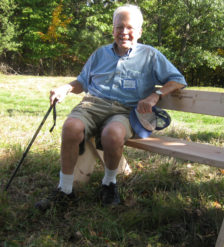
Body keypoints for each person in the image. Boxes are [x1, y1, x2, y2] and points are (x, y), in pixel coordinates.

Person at [35, 4, 187, 210]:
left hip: (126, 110)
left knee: (113, 134)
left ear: (140, 31)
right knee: (71, 127)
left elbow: (178, 80)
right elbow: (81, 82)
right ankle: (65, 190)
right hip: (93, 105)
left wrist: (155, 96)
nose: (124, 32)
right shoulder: (100, 54)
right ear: (113, 29)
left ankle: (109, 184)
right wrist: (66, 88)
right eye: (119, 27)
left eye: (130, 27)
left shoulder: (150, 55)